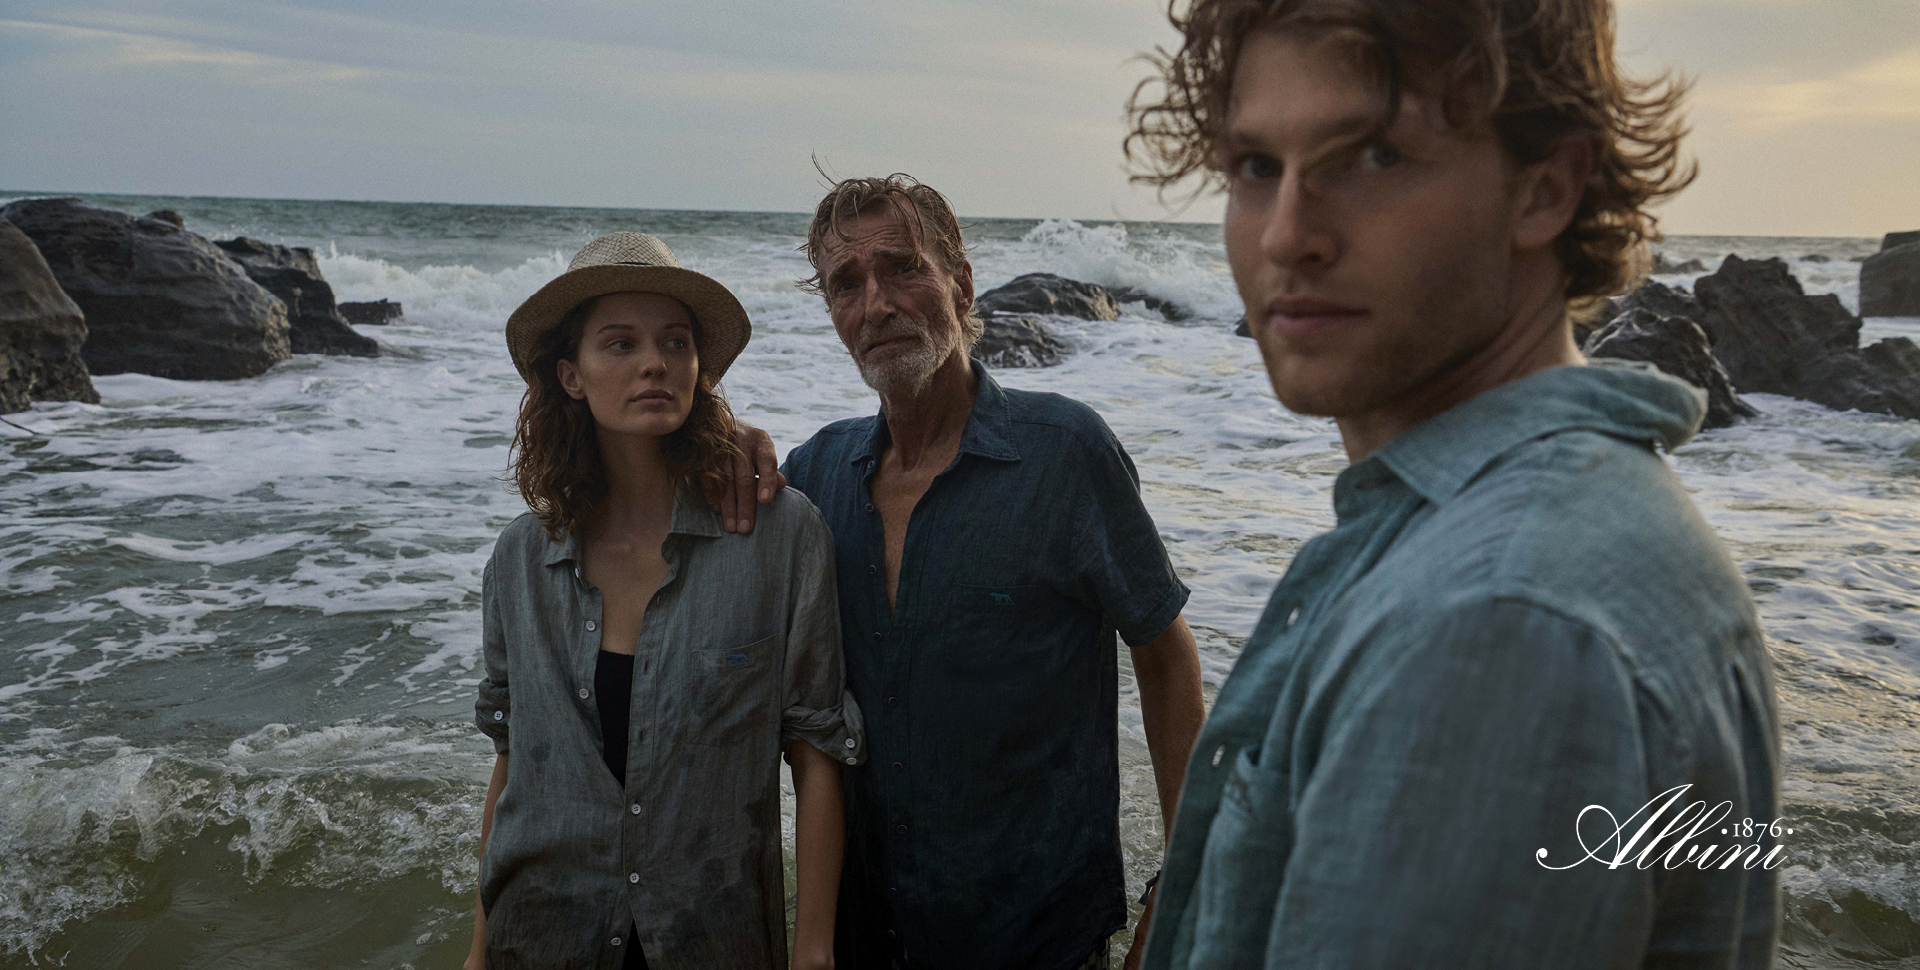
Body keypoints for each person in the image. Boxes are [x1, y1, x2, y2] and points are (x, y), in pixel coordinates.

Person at [1121, 0, 1782, 967]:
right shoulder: (1521, 539)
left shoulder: (1499, 620)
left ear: (1545, 189)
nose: (1286, 235)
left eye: (1376, 156)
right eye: (1258, 167)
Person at [729, 174, 1210, 970]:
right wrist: (724, 431)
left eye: (902, 267)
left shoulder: (1065, 453)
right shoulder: (818, 476)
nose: (876, 301)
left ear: (961, 282)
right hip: (868, 938)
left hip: (1034, 937)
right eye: (847, 284)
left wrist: (1186, 882)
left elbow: (1166, 655)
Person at [466, 232, 862, 970]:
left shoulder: (779, 537)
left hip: (714, 938)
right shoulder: (521, 559)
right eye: (619, 344)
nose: (654, 362)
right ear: (572, 376)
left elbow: (816, 750)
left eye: (674, 342)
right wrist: (478, 952)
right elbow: (512, 763)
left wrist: (813, 953)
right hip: (542, 936)